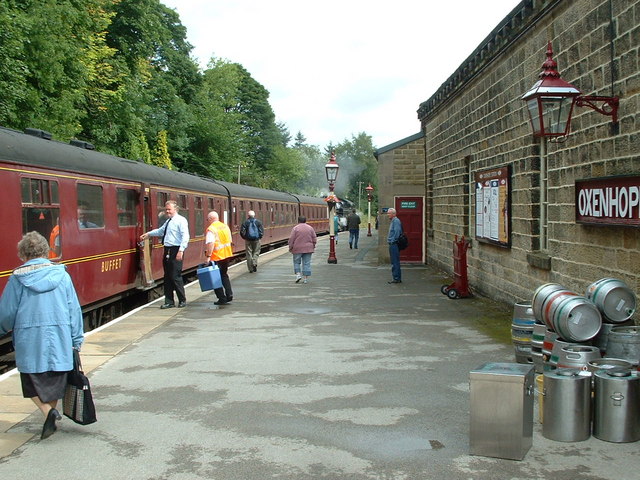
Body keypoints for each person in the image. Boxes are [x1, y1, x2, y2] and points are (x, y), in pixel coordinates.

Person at [0, 231, 84, 440]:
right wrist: (76, 338)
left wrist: (1, 328)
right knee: (56, 379)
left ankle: (48, 413)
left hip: (30, 338)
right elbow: (73, 309)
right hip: (59, 335)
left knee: (30, 380)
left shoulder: (17, 279)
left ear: (23, 254)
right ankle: (50, 414)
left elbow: (8, 311)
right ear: (46, 251)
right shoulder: (62, 275)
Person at [140, 200, 190, 309]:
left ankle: (182, 300)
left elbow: (185, 236)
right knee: (167, 276)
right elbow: (161, 231)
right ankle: (169, 301)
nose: (167, 211)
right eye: (166, 209)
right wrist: (148, 234)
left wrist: (181, 250)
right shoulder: (168, 221)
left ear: (175, 209)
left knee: (175, 276)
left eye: (169, 209)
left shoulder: (181, 221)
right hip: (167, 249)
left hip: (176, 249)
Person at [205, 211, 233, 305]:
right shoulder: (225, 226)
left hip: (216, 256)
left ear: (211, 219)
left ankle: (221, 298)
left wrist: (208, 256)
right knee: (224, 275)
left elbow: (211, 243)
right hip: (227, 255)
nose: (208, 221)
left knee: (215, 278)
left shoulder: (211, 229)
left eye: (208, 219)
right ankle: (229, 294)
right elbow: (230, 240)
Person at [288, 216, 317, 284]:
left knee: (296, 262)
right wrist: (313, 245)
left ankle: (298, 275)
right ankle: (305, 279)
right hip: (308, 248)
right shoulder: (310, 228)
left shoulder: (295, 228)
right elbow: (314, 238)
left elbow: (291, 239)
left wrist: (290, 247)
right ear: (305, 221)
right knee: (306, 263)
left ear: (298, 221)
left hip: (297, 248)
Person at [387, 208, 402, 284]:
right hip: (392, 244)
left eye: (389, 213)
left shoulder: (396, 221)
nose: (388, 215)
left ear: (393, 214)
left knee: (395, 262)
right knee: (394, 261)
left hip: (394, 244)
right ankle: (396, 277)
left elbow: (397, 232)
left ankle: (396, 278)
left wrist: (393, 240)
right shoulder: (394, 221)